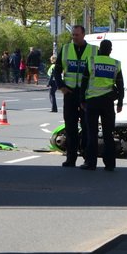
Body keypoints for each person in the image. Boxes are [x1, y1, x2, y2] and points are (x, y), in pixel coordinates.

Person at [51, 25, 94, 168]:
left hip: (86, 94)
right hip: (70, 93)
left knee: (87, 127)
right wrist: (61, 86)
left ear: (83, 34)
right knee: (70, 127)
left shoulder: (93, 50)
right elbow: (57, 70)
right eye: (73, 35)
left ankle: (87, 158)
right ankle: (71, 158)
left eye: (77, 35)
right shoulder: (66, 49)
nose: (74, 37)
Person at [83, 39, 124, 171]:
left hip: (92, 101)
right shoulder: (116, 64)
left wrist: (81, 100)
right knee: (108, 134)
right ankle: (110, 164)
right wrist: (120, 103)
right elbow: (121, 85)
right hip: (108, 103)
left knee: (92, 133)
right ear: (110, 50)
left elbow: (84, 83)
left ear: (100, 49)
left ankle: (91, 163)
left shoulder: (91, 61)